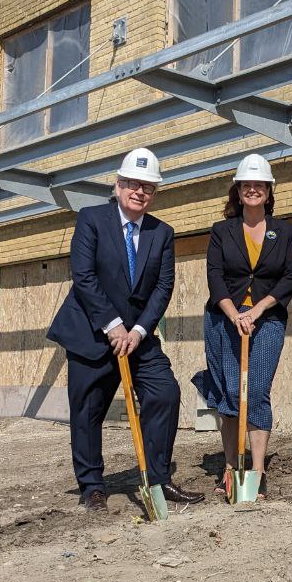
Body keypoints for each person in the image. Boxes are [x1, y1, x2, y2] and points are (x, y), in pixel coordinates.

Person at [47, 147, 205, 511]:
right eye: (133, 184)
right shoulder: (91, 219)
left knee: (165, 392)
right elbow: (84, 276)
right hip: (91, 332)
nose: (140, 192)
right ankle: (92, 487)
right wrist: (113, 325)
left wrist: (138, 331)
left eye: (148, 187)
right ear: (118, 186)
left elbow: (163, 287)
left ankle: (159, 479)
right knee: (88, 411)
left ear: (155, 193)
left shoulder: (162, 233)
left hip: (139, 337)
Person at [196, 154, 292, 498]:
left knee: (254, 392)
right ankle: (230, 467)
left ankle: (257, 470)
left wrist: (256, 311)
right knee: (229, 394)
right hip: (224, 320)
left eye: (259, 185)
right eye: (246, 185)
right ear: (238, 191)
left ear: (269, 192)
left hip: (266, 321)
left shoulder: (284, 231)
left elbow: (289, 278)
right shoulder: (221, 230)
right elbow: (215, 276)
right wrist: (234, 313)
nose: (253, 190)